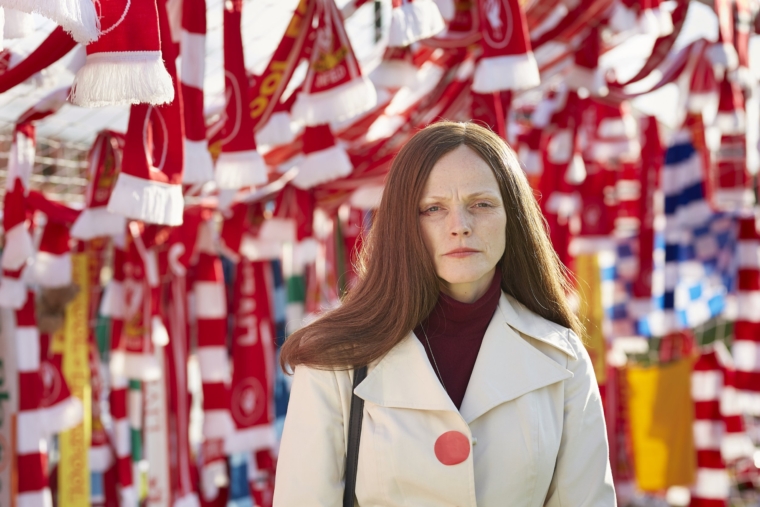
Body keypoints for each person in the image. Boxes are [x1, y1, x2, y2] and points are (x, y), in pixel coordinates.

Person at [274, 121, 616, 506]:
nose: (461, 227)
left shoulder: (562, 357)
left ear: (513, 217)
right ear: (403, 223)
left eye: (481, 204)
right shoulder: (332, 360)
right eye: (434, 208)